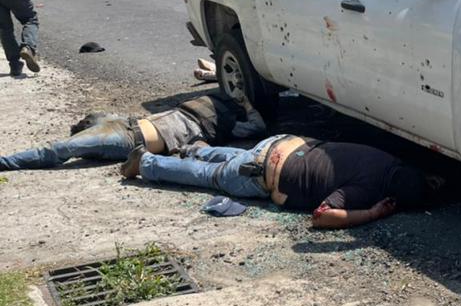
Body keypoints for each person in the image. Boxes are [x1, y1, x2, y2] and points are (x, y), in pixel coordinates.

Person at [121, 135, 428, 228]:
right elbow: (322, 217)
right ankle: (147, 163)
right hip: (263, 173)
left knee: (238, 158)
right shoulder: (368, 190)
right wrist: (373, 213)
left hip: (282, 143)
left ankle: (192, 149)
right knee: (210, 177)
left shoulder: (386, 157)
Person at [0, 94, 265, 170]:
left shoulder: (211, 128)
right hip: (128, 123)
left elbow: (257, 127)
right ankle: (85, 138)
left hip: (129, 139)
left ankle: (6, 162)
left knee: (58, 150)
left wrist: (246, 104)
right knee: (92, 118)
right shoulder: (198, 111)